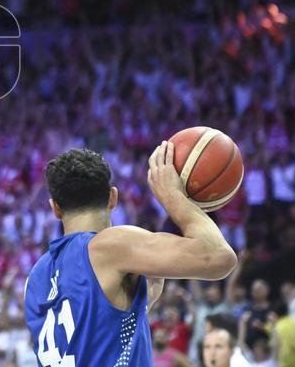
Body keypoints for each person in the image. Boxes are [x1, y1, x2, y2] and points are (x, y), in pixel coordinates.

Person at [23, 144, 238, 366]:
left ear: (55, 208)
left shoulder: (35, 277)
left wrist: (140, 305)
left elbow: (88, 340)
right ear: (113, 198)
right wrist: (173, 196)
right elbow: (219, 257)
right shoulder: (110, 246)